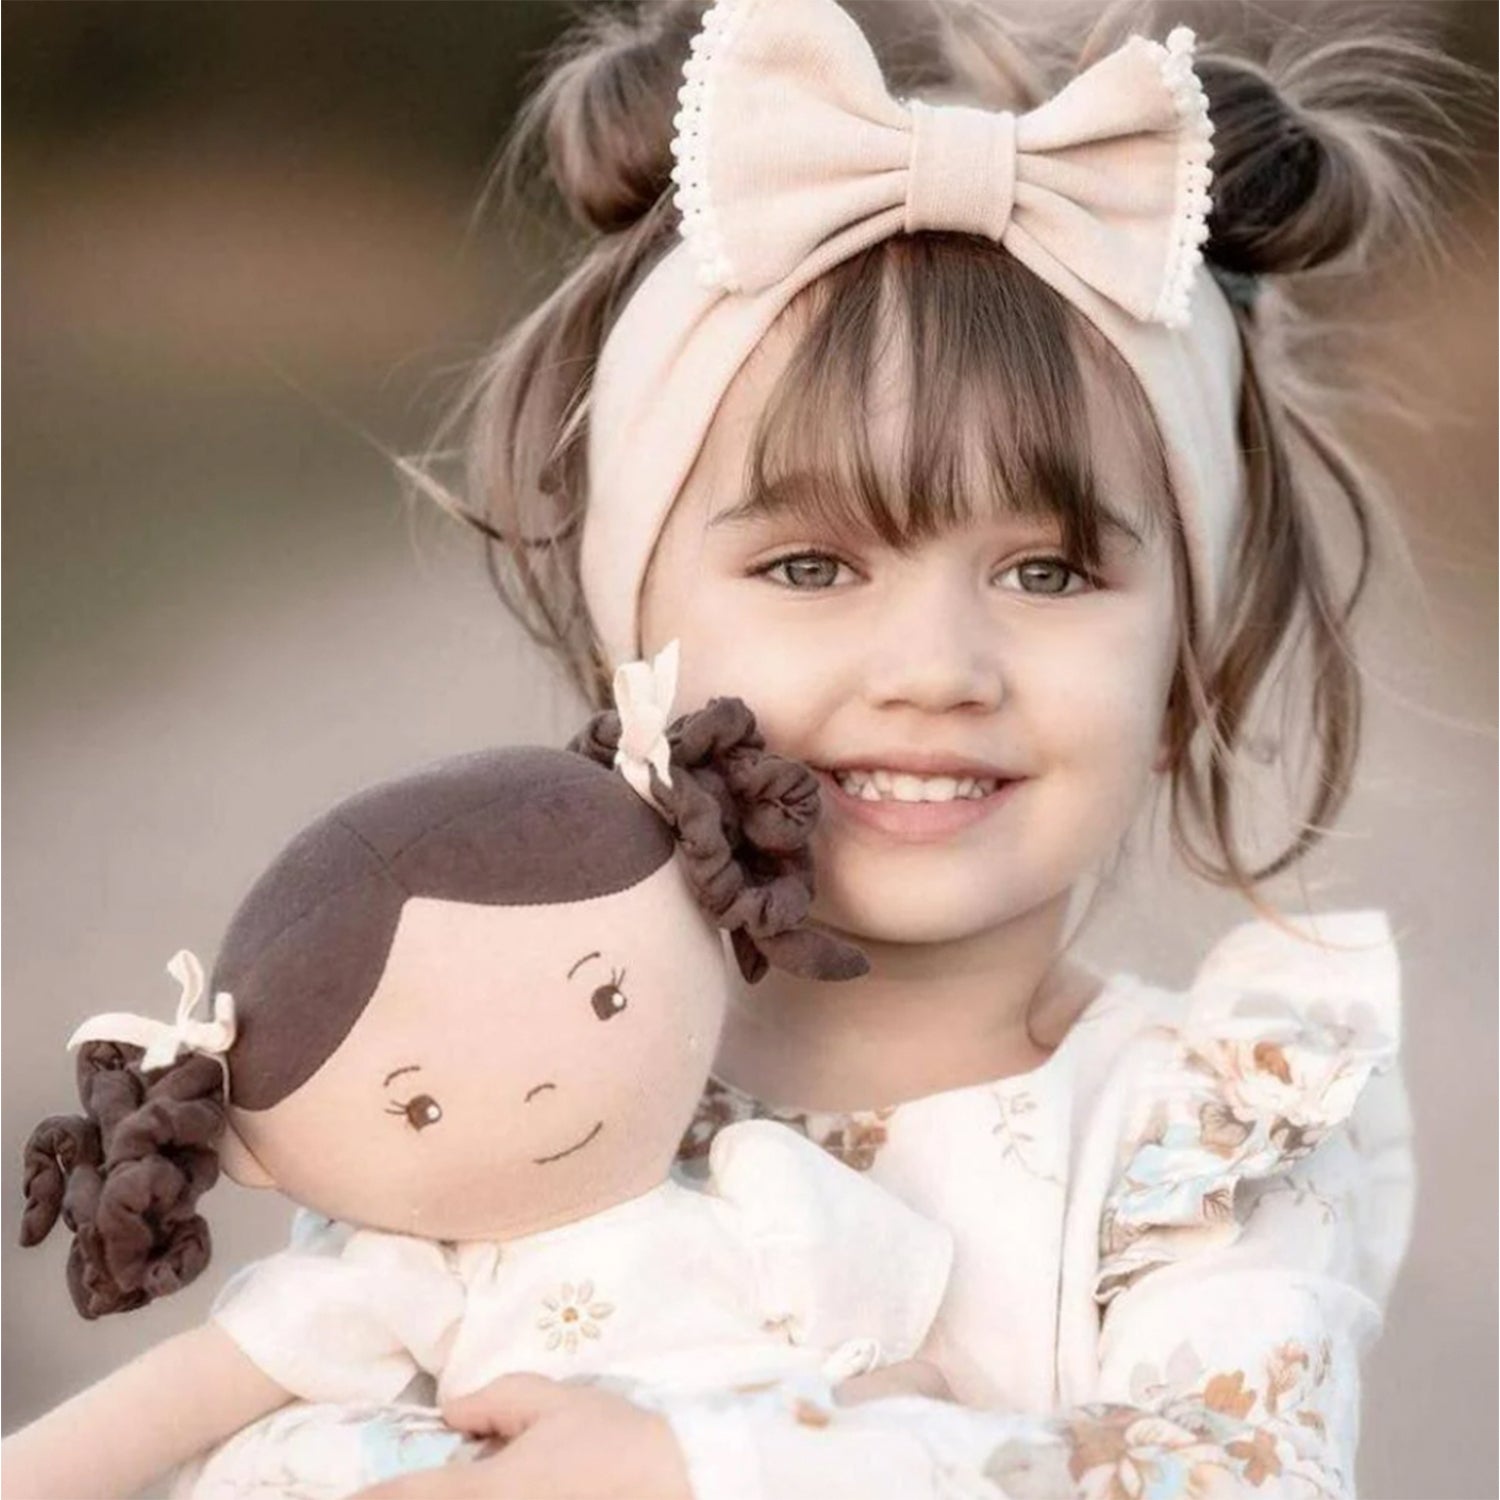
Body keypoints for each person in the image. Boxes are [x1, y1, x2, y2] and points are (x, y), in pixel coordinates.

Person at [364, 0, 1471, 1495]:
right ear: (635, 638)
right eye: (814, 568)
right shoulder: (513, 1084)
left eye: (1051, 573)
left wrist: (717, 1466)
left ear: (1187, 662)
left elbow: (1232, 1473)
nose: (939, 672)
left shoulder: (1203, 1144)